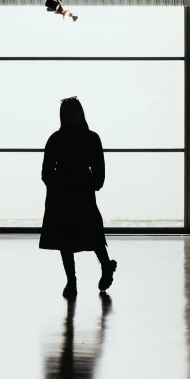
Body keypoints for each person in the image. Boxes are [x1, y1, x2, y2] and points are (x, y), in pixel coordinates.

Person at [39, 96, 117, 298]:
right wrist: (93, 183)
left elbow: (47, 171)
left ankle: (73, 281)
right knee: (92, 234)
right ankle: (102, 268)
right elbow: (98, 169)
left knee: (68, 239)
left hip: (64, 194)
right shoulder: (91, 138)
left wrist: (56, 185)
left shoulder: (56, 139)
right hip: (81, 192)